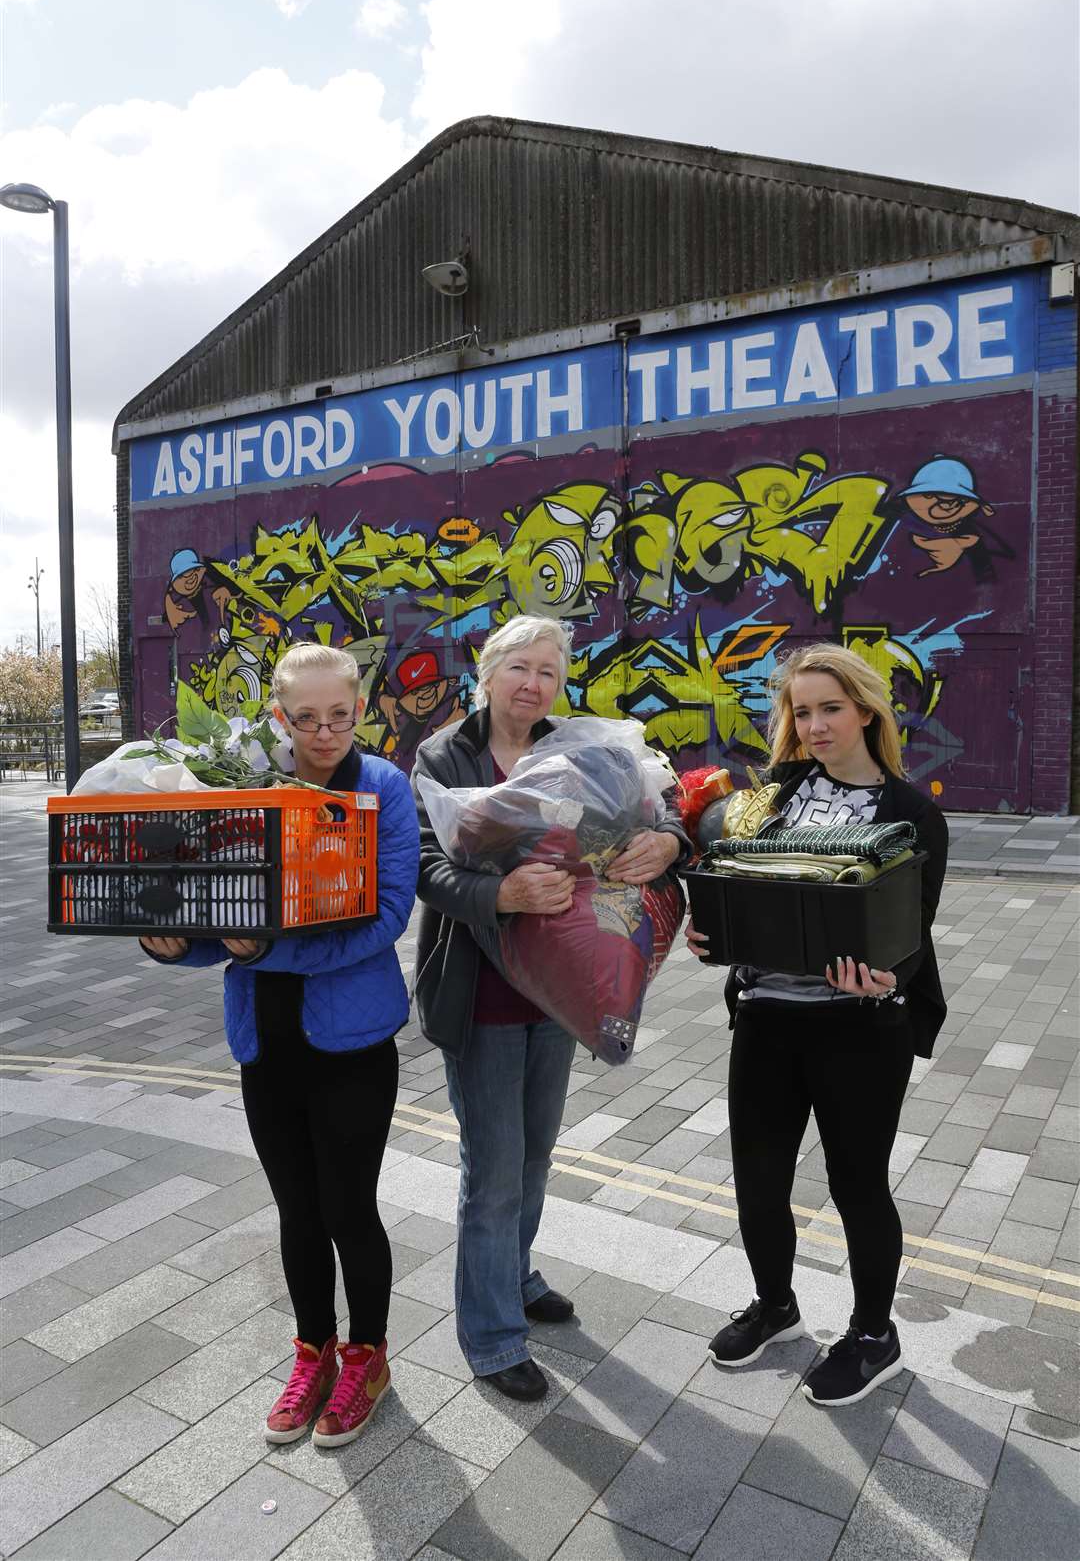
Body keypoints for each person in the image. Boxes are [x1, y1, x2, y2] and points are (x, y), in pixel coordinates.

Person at [140, 643, 419, 1447]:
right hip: (265, 1039)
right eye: (306, 718)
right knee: (297, 1211)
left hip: (354, 1042)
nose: (325, 732)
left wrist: (267, 951)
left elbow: (385, 918)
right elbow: (219, 913)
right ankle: (313, 1352)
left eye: (340, 715)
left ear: (360, 709)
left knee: (347, 1208)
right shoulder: (246, 790)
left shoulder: (384, 790)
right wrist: (173, 947)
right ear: (278, 717)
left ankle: (368, 1354)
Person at [412, 614, 690, 1400]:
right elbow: (426, 870)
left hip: (563, 991)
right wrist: (499, 892)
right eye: (519, 668)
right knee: (493, 1170)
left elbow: (657, 807)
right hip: (483, 996)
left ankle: (514, 1273)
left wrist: (667, 844)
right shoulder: (444, 755)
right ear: (488, 672)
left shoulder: (586, 746)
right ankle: (494, 1336)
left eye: (548, 672)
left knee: (535, 1155)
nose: (533, 684)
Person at [688, 642, 948, 1407]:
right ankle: (777, 1307)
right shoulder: (771, 794)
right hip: (768, 1017)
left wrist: (883, 978)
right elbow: (734, 882)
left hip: (860, 1029)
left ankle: (874, 1336)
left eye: (830, 708)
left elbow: (910, 930)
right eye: (802, 712)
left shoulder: (912, 814)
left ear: (866, 710)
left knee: (857, 1184)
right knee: (759, 1183)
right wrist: (716, 939)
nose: (816, 725)